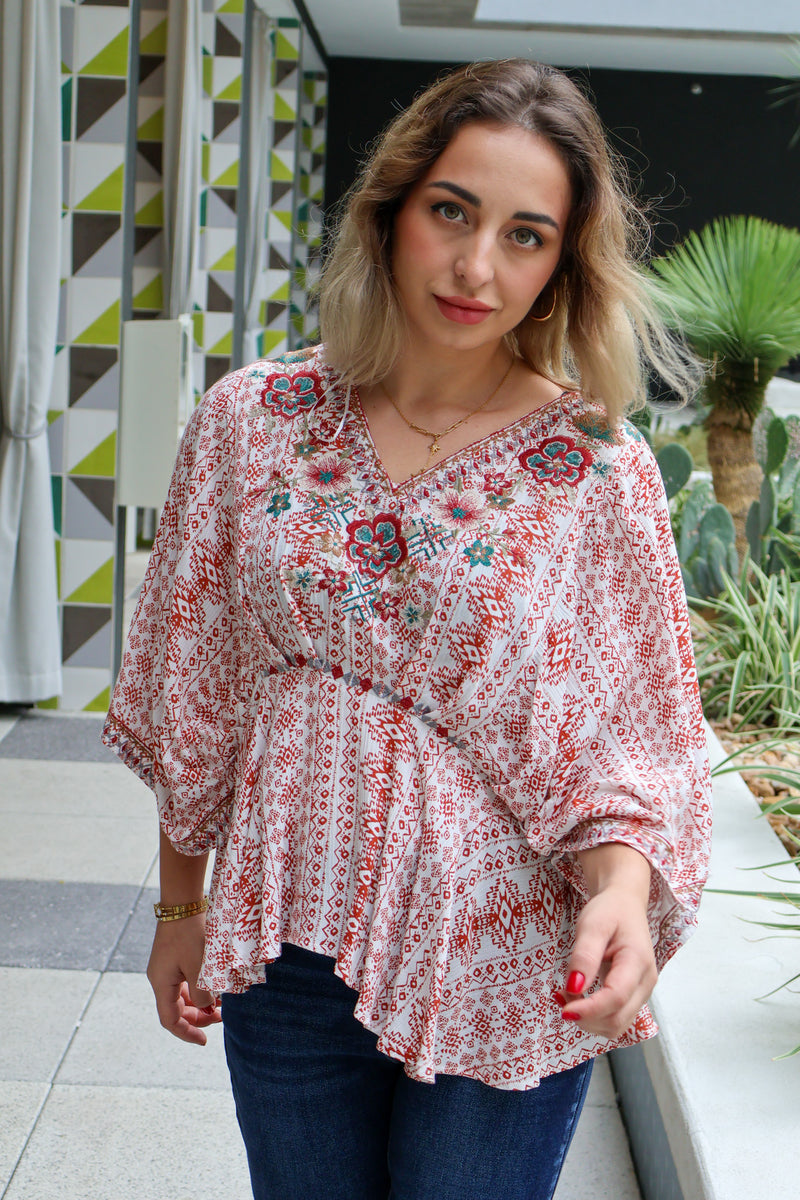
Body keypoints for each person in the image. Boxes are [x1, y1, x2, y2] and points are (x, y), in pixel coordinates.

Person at [103, 59, 711, 1200]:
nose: (478, 267)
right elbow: (197, 681)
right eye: (452, 212)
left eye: (525, 236)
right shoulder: (252, 421)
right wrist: (182, 903)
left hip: (506, 961)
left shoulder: (596, 470)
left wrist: (624, 896)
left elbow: (637, 742)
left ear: (561, 266)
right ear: (389, 213)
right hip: (285, 940)